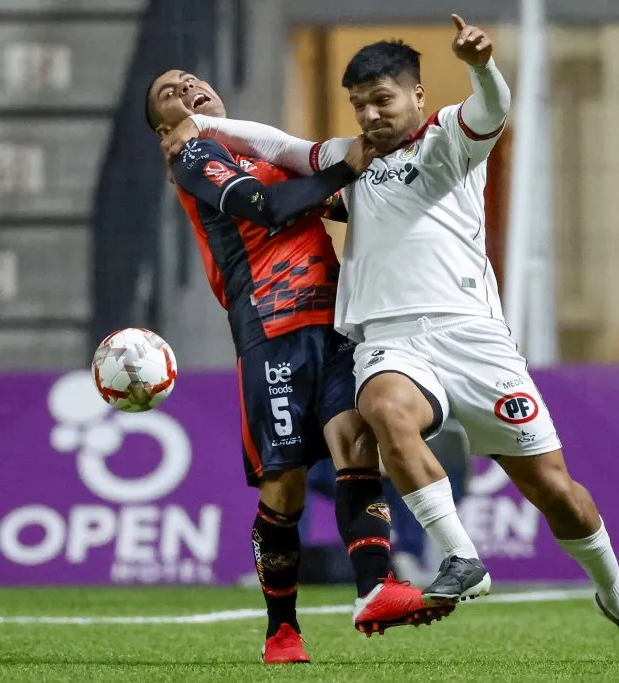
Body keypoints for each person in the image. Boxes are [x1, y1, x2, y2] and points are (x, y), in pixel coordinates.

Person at [158, 16, 619, 662]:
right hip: (389, 340)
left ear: (417, 97)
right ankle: (461, 556)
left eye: (384, 100)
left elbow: (494, 107)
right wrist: (205, 128)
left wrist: (482, 66)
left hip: (475, 341)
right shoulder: (349, 160)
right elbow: (282, 146)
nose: (372, 114)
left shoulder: (450, 141)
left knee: (557, 492)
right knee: (381, 409)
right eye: (360, 104)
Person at [144, 69, 440, 665]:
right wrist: (347, 164)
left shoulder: (262, 147)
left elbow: (350, 202)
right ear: (163, 132)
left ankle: (376, 588)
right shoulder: (195, 157)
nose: (187, 88)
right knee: (287, 487)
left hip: (334, 325)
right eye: (169, 94)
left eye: (191, 80)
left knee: (356, 440)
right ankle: (282, 630)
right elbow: (269, 207)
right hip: (269, 333)